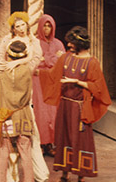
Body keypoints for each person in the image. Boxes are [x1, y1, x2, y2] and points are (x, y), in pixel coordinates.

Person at [40, 26, 111, 182]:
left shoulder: (92, 62)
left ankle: (81, 175)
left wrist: (77, 82)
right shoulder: (66, 58)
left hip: (80, 108)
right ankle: (65, 174)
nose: (69, 45)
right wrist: (37, 71)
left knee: (80, 140)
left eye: (72, 43)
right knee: (63, 138)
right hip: (65, 106)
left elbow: (98, 87)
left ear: (80, 44)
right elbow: (52, 75)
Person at [0, 12, 49, 182]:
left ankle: (33, 174)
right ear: (13, 28)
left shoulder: (34, 42)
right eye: (17, 26)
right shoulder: (6, 40)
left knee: (27, 139)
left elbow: (34, 61)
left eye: (23, 25)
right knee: (9, 142)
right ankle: (10, 177)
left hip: (22, 80)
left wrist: (16, 62)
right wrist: (3, 66)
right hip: (8, 80)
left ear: (27, 25)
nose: (21, 28)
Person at [0, 40, 35, 182]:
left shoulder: (1, 70)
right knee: (26, 152)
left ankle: (1, 180)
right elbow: (32, 58)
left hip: (7, 116)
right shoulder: (27, 70)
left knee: (4, 151)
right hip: (23, 115)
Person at [32, 14, 65, 156]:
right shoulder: (34, 43)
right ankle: (40, 143)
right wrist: (53, 57)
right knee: (40, 112)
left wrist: (45, 59)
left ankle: (51, 143)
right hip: (38, 82)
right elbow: (33, 64)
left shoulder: (58, 43)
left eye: (49, 26)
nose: (46, 29)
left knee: (53, 112)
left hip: (52, 81)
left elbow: (62, 63)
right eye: (44, 26)